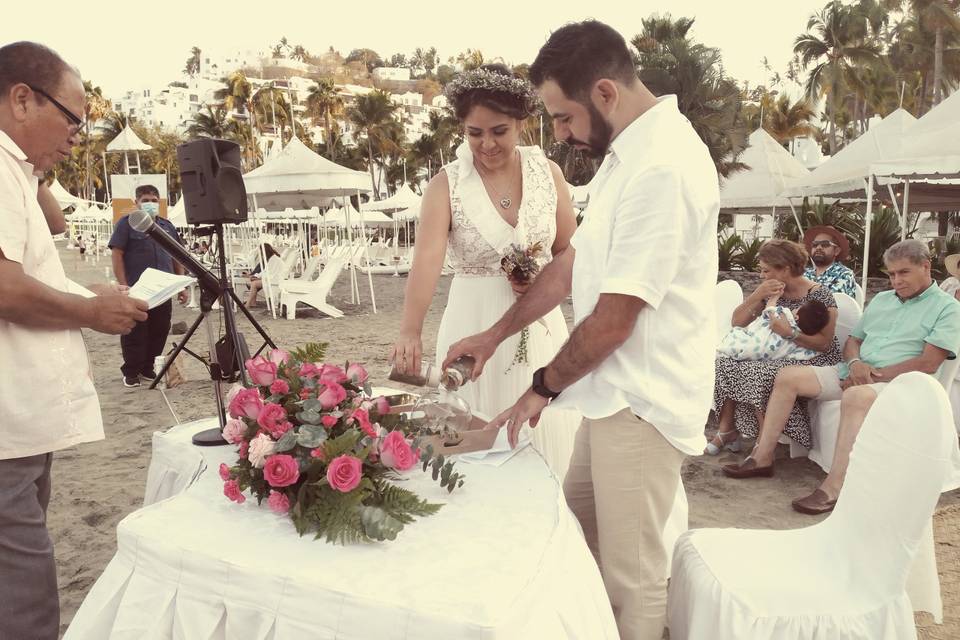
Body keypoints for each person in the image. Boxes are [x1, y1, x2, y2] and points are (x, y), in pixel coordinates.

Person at [443, 22, 719, 640]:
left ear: (603, 92)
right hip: (611, 397)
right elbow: (573, 265)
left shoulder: (663, 167)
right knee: (578, 548)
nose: (561, 134)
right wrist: (493, 336)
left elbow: (616, 318)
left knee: (633, 579)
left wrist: (540, 386)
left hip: (644, 403)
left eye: (563, 117)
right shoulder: (630, 156)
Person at [0, 41, 148, 640]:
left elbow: (47, 236)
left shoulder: (17, 172)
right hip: (5, 427)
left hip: (20, 421)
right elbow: (4, 287)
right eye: (72, 118)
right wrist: (89, 312)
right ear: (20, 99)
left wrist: (76, 291)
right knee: (25, 602)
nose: (77, 136)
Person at [389, 63, 580, 479]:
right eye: (474, 133)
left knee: (543, 437)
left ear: (521, 124)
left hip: (539, 320)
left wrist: (540, 276)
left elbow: (569, 249)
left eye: (499, 131)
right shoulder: (447, 185)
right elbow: (426, 262)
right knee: (471, 444)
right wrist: (410, 329)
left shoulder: (549, 174)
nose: (487, 144)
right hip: (470, 320)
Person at [723, 241, 960, 511]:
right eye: (891, 274)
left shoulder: (947, 308)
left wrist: (871, 376)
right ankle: (763, 457)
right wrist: (857, 364)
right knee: (788, 376)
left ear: (926, 266)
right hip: (855, 372)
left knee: (857, 395)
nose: (896, 281)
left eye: (903, 273)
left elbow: (928, 363)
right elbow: (853, 341)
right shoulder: (882, 300)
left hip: (904, 383)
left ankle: (834, 486)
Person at [710, 240, 841, 456]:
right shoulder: (771, 291)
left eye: (765, 270)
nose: (762, 275)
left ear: (785, 269)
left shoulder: (819, 294)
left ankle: (763, 447)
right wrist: (757, 295)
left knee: (760, 371)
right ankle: (727, 430)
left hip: (812, 357)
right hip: (776, 351)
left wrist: (789, 333)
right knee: (724, 361)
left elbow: (824, 344)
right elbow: (737, 321)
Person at [109, 184, 188, 388]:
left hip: (164, 288)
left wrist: (181, 285)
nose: (150, 204)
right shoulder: (127, 224)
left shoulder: (167, 226)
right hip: (137, 289)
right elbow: (117, 254)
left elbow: (177, 255)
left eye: (154, 200)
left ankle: (148, 367)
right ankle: (131, 371)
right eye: (145, 200)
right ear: (136, 202)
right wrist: (123, 284)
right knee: (135, 330)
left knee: (160, 328)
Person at [717, 297, 829, 362]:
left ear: (796, 317)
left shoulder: (786, 315)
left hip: (754, 345)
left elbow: (770, 310)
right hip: (766, 358)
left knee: (737, 333)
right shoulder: (804, 345)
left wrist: (773, 299)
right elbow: (797, 357)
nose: (794, 308)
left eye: (797, 308)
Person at [803, 225, 857, 298]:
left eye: (825, 244)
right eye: (815, 244)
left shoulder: (844, 274)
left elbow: (829, 302)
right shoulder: (805, 273)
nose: (818, 247)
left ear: (836, 251)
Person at [245, 242, 281, 307]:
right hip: (271, 278)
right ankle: (253, 303)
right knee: (253, 282)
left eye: (261, 252)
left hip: (275, 280)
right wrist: (256, 276)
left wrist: (259, 278)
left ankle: (248, 304)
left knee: (254, 284)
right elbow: (266, 271)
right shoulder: (271, 258)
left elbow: (271, 273)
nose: (261, 254)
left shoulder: (274, 259)